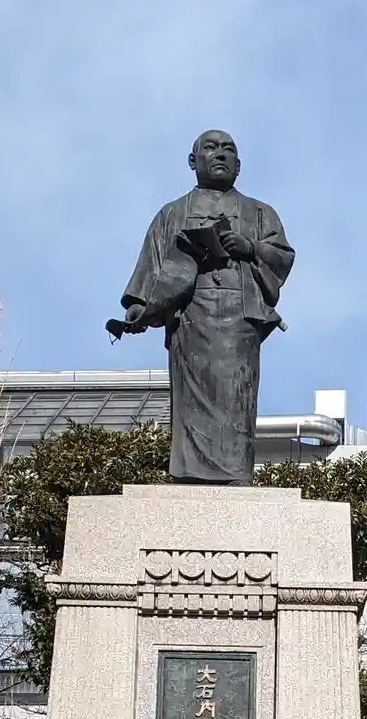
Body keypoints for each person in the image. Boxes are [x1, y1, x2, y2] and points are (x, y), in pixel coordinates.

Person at [108, 130, 294, 484]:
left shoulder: (259, 213)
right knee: (190, 402)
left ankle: (236, 473)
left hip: (240, 319)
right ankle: (189, 473)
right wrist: (139, 305)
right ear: (193, 161)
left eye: (228, 150)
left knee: (237, 400)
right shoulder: (172, 213)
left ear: (238, 166)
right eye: (210, 148)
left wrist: (249, 247)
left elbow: (282, 256)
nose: (220, 154)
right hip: (190, 317)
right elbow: (151, 264)